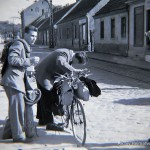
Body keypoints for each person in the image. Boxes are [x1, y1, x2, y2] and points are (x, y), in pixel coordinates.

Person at [1, 25, 40, 142]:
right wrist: (29, 61)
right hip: (13, 81)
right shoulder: (19, 44)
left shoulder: (25, 46)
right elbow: (12, 59)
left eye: (35, 36)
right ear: (26, 34)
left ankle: (7, 133)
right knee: (18, 110)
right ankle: (18, 136)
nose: (34, 38)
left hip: (15, 81)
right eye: (32, 36)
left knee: (14, 109)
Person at [35, 48, 88, 131]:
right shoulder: (64, 53)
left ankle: (42, 120)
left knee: (43, 97)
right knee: (47, 97)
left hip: (48, 74)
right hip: (43, 74)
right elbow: (60, 62)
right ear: (76, 58)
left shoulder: (70, 57)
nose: (76, 64)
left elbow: (65, 69)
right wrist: (74, 70)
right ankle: (49, 123)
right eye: (77, 63)